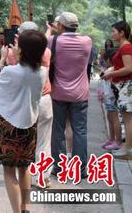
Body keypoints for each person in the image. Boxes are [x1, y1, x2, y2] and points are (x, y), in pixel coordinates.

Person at [0, 30, 47, 213]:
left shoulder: (11, 71)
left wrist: (1, 60)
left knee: (9, 171)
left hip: (9, 126)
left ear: (23, 50)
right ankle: (26, 206)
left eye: (17, 45)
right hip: (29, 125)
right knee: (24, 167)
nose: (14, 47)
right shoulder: (42, 72)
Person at [7, 21, 53, 188]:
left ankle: (23, 175)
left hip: (23, 101)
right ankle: (43, 177)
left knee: (23, 141)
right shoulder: (46, 52)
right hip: (44, 99)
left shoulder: (13, 54)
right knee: (43, 140)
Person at [45, 12, 92, 176]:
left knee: (58, 130)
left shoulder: (54, 41)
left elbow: (46, 59)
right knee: (80, 130)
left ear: (60, 25)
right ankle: (81, 169)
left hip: (58, 93)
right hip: (80, 94)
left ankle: (58, 167)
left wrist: (49, 30)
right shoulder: (87, 41)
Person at [101, 21, 132, 160]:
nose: (112, 34)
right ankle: (127, 148)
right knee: (127, 117)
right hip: (124, 86)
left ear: (122, 32)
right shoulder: (124, 47)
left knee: (128, 118)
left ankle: (128, 150)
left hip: (128, 85)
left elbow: (129, 68)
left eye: (113, 31)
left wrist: (111, 74)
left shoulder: (126, 47)